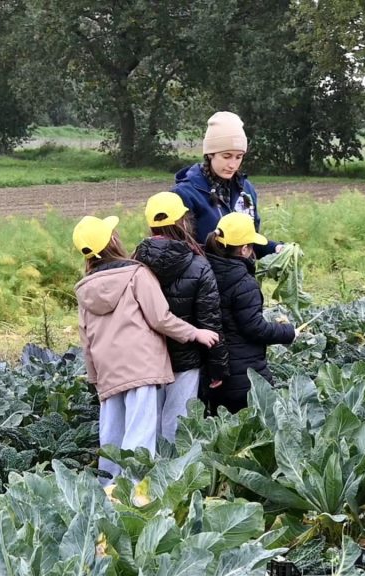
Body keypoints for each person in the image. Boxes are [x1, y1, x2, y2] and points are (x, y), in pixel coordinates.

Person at [72, 215, 218, 483]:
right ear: (113, 241)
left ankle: (108, 489)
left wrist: (94, 377)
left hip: (108, 370)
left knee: (112, 435)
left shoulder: (84, 289)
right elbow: (160, 317)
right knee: (141, 434)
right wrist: (194, 333)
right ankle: (136, 493)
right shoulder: (136, 273)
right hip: (142, 365)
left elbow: (86, 338)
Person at [133, 192, 228, 441]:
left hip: (146, 357)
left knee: (147, 424)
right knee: (177, 422)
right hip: (187, 357)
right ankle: (175, 475)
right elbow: (210, 319)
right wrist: (217, 367)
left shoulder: (134, 261)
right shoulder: (198, 263)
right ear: (183, 221)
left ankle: (146, 476)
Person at [204, 212, 296, 414]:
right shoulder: (244, 283)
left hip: (214, 372)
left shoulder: (204, 270)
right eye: (252, 246)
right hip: (244, 376)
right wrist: (288, 332)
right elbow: (254, 328)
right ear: (244, 249)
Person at [172, 111, 283, 259]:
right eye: (226, 156)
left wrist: (275, 248)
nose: (232, 164)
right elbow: (181, 251)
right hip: (206, 280)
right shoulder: (185, 194)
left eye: (239, 157)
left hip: (243, 278)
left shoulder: (247, 190)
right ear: (210, 154)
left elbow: (249, 239)